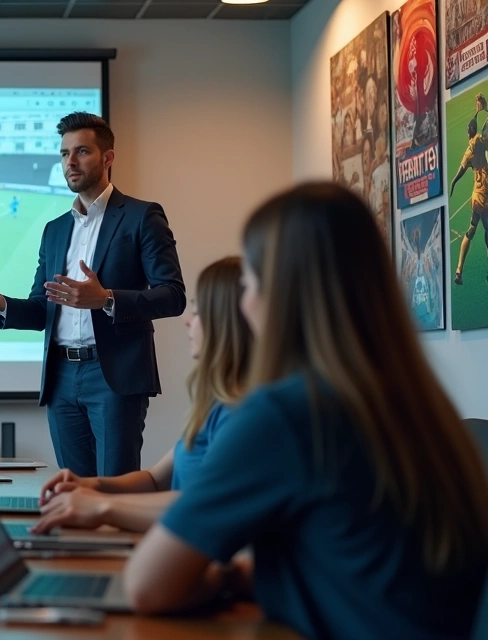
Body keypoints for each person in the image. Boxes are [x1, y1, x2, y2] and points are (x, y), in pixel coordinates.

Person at [123, 183, 488, 640]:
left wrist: (218, 580)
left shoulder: (286, 413)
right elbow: (356, 568)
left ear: (281, 295)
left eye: (250, 285)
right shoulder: (413, 401)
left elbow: (145, 587)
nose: (244, 303)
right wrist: (239, 578)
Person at [0, 112, 185, 477]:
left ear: (107, 158)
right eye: (64, 154)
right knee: (73, 491)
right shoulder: (54, 230)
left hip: (112, 377)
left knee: (114, 489)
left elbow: (173, 295)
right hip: (60, 376)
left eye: (81, 152)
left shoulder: (141, 217)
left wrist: (106, 298)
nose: (70, 163)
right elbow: (42, 308)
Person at [32, 257, 251, 534]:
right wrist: (91, 485)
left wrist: (103, 507)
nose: (188, 322)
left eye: (197, 312)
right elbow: (154, 480)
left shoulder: (250, 414)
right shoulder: (216, 406)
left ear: (227, 323)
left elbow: (208, 505)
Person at [450, 93, 488, 285]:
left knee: (471, 231)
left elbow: (461, 170)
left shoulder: (469, 150)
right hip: (486, 198)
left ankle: (458, 270)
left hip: (477, 199)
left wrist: (453, 182)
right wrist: (485, 109)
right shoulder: (480, 140)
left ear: (468, 132)